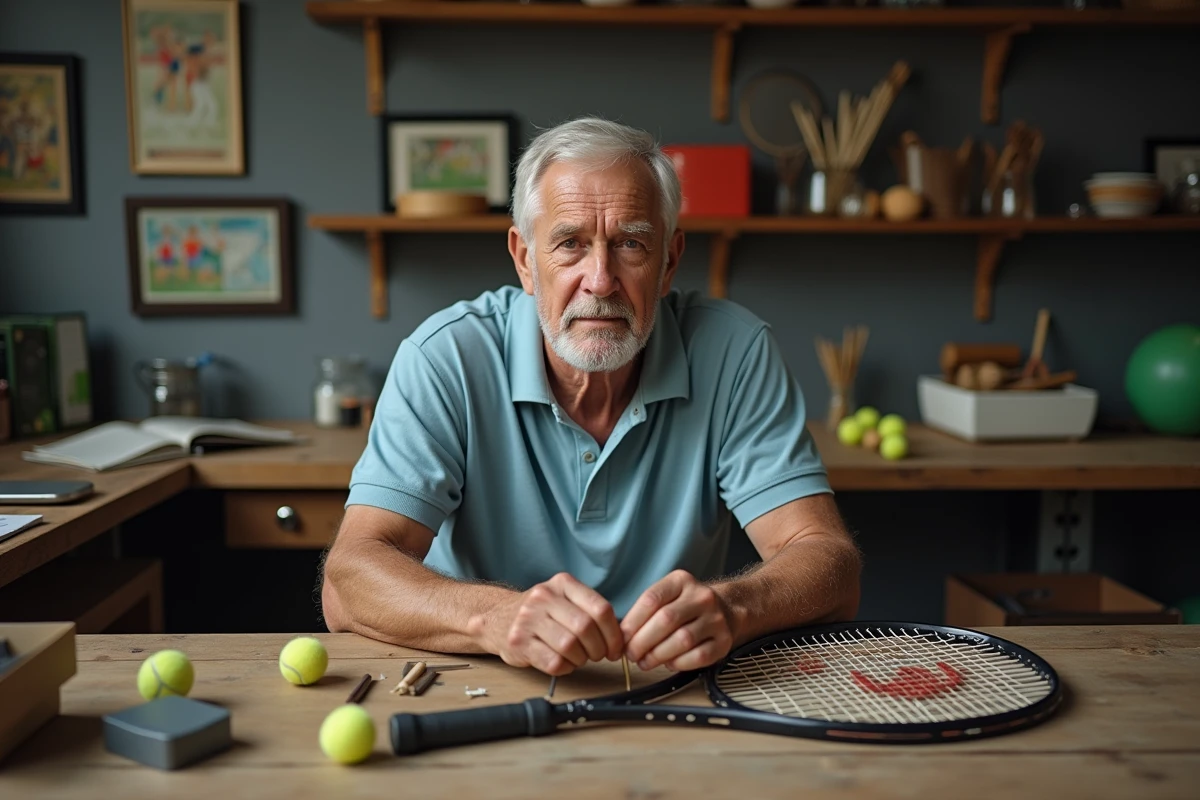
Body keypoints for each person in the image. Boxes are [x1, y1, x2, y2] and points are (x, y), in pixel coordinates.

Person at [321, 117, 861, 678]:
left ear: (669, 262)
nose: (600, 280)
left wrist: (735, 606)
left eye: (631, 244)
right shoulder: (446, 357)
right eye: (570, 244)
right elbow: (349, 580)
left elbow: (829, 561)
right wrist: (495, 618)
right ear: (526, 260)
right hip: (480, 679)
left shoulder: (734, 351)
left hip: (676, 685)